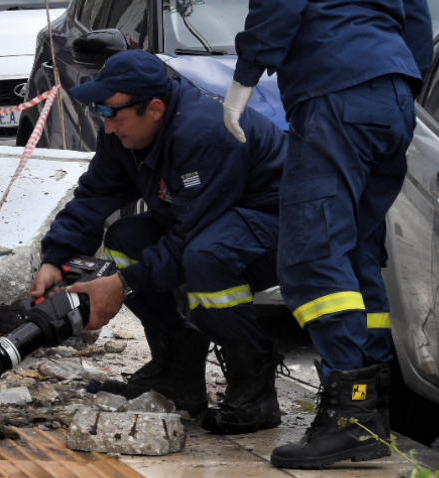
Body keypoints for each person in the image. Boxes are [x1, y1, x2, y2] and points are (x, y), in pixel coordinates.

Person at [223, 0, 432, 468]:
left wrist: (245, 77)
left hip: (335, 93)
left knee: (311, 255)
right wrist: (403, 87)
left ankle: (350, 409)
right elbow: (416, 14)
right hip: (390, 96)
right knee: (357, 254)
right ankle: (369, 409)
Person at [31, 50, 287, 434]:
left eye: (113, 114)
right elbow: (94, 196)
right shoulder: (123, 133)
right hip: (212, 222)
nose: (108, 126)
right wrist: (56, 259)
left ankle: (254, 390)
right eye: (101, 112)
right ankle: (177, 372)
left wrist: (121, 285)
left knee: (204, 259)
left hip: (277, 226)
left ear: (154, 109)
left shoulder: (203, 133)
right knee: (124, 240)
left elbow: (190, 236)